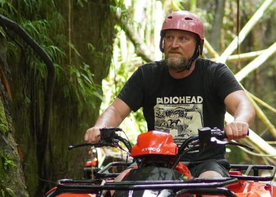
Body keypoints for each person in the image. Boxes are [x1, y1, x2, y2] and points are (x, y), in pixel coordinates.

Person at [84, 11, 254, 179]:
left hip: (205, 163)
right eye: (169, 37)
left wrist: (240, 122)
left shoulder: (214, 73)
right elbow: (116, 110)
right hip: (154, 161)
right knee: (118, 186)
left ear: (198, 46)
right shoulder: (147, 75)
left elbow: (242, 104)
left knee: (210, 184)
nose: (174, 44)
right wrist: (101, 127)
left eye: (183, 39)